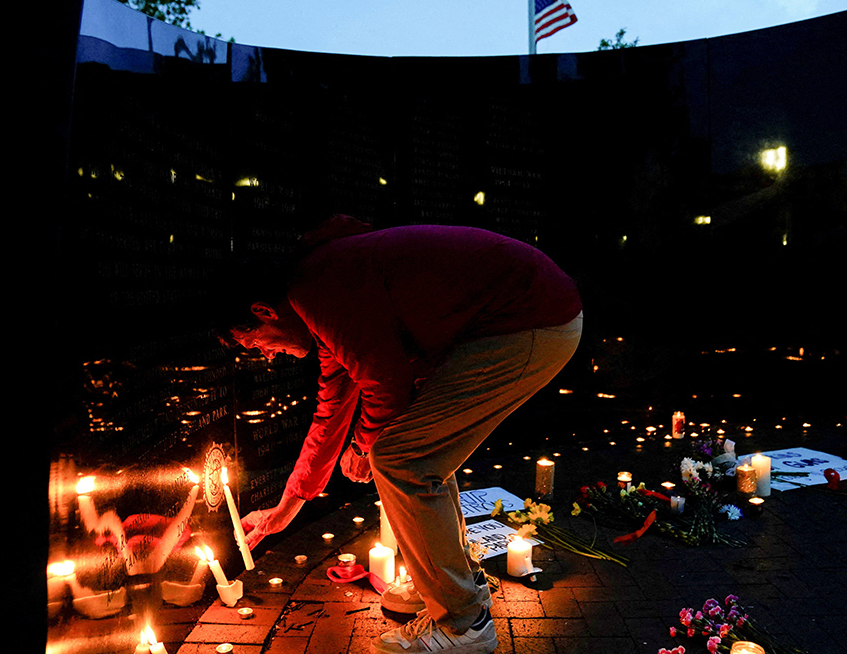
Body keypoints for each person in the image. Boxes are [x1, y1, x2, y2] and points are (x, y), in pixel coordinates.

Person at [221, 215, 582, 654]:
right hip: (525, 313)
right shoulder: (323, 295)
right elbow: (330, 411)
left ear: (263, 311)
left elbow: (386, 383)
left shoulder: (318, 289)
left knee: (402, 457)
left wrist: (364, 445)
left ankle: (464, 623)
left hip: (527, 317)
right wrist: (283, 511)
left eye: (253, 342)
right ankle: (454, 588)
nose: (267, 354)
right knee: (416, 451)